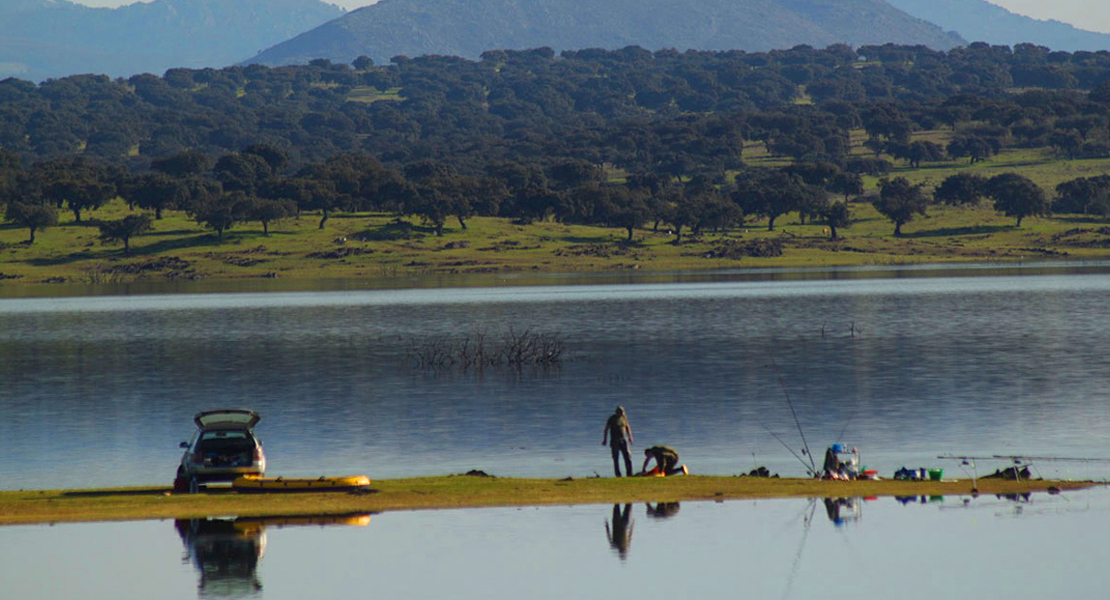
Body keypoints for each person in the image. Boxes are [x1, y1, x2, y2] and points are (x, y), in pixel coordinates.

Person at [602, 406, 634, 477]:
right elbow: (606, 429)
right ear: (617, 412)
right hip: (614, 441)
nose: (622, 414)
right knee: (615, 458)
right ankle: (618, 474)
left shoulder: (624, 418)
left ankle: (629, 474)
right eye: (620, 412)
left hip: (623, 440)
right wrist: (605, 440)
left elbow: (627, 427)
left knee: (628, 457)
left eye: (623, 412)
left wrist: (630, 437)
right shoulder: (611, 419)